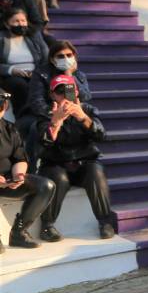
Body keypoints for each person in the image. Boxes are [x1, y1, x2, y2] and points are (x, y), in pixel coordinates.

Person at [36, 74, 115, 238]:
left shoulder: (88, 110)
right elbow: (43, 143)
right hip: (55, 163)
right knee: (59, 178)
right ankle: (47, 226)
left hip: (85, 161)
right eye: (59, 92)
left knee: (96, 172)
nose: (64, 96)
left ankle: (105, 223)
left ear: (76, 92)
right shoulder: (45, 113)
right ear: (52, 95)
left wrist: (83, 118)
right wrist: (55, 122)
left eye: (68, 91)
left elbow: (102, 136)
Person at [0, 87, 53, 248]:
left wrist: (19, 176)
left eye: (1, 106)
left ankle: (19, 232)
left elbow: (19, 156)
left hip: (8, 179)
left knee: (45, 186)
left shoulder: (9, 128)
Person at [0, 6, 43, 115]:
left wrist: (37, 72)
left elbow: (46, 57)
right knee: (20, 85)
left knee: (38, 83)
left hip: (35, 73)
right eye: (16, 21)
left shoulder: (34, 37)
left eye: (23, 20)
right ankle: (24, 115)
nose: (21, 24)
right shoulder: (1, 39)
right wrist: (12, 70)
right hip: (10, 77)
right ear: (7, 24)